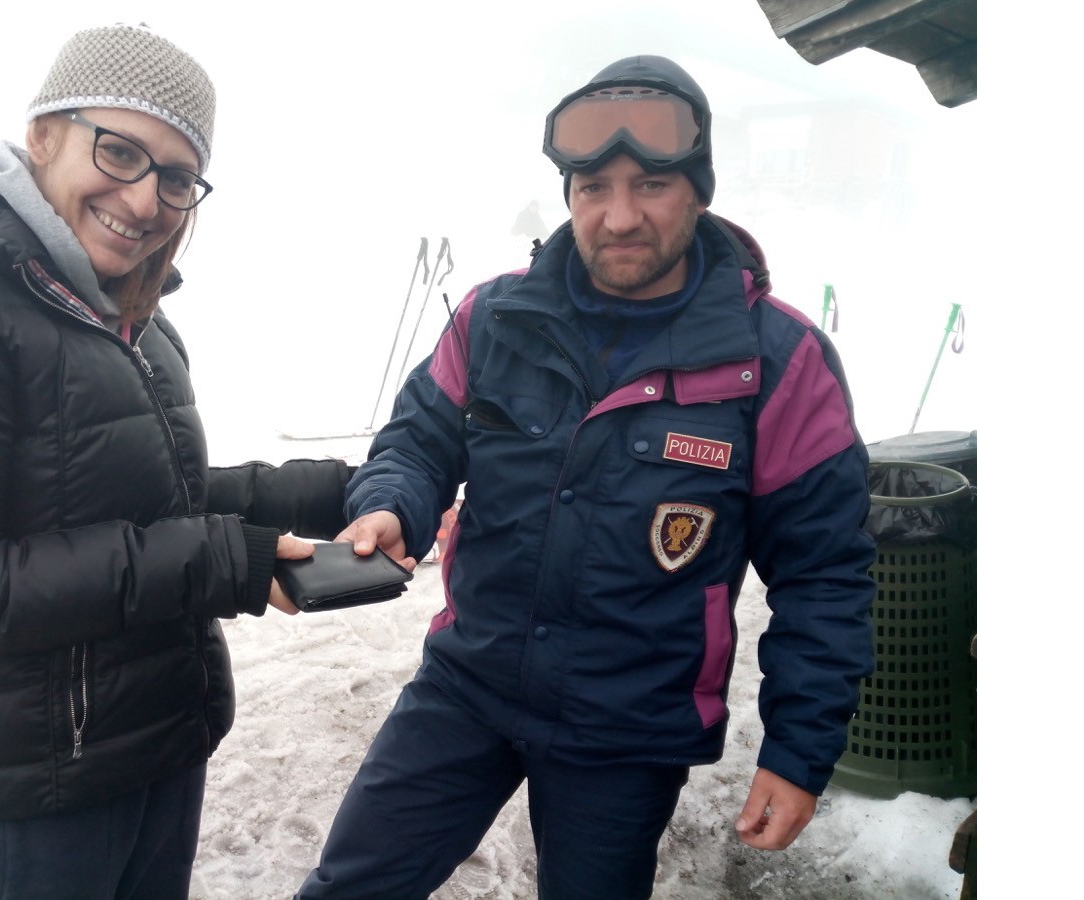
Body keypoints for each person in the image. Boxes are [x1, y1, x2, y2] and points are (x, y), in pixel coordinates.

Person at [0, 23, 352, 900]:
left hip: (154, 750)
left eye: (176, 175)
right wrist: (229, 562)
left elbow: (160, 497)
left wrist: (337, 492)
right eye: (119, 151)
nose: (146, 198)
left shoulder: (131, 316)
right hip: (26, 796)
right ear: (42, 135)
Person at [296, 54, 876, 899]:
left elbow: (824, 573)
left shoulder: (778, 362)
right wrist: (391, 506)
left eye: (650, 184)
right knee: (347, 888)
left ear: (700, 191)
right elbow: (419, 441)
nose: (618, 216)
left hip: (628, 729)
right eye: (591, 187)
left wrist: (797, 752)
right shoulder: (495, 318)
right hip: (468, 685)